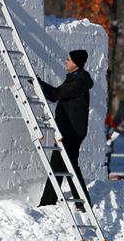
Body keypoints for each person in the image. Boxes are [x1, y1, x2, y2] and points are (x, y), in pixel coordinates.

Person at [38, 49, 94, 209]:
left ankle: (83, 203)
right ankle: (48, 202)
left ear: (76, 63)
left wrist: (39, 84)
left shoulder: (78, 82)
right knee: (57, 165)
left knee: (70, 166)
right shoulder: (73, 78)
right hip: (67, 130)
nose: (66, 61)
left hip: (72, 131)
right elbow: (58, 94)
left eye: (68, 59)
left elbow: (56, 94)